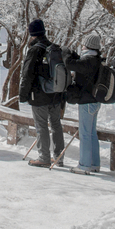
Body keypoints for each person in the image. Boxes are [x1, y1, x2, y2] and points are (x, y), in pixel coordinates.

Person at [19, 19, 66, 168]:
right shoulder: (54, 48)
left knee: (41, 126)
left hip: (39, 95)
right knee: (56, 125)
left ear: (31, 34)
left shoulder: (35, 50)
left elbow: (27, 74)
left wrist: (23, 94)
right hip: (56, 94)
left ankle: (44, 157)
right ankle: (59, 157)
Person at [65, 33, 103, 174]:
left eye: (83, 44)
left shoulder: (88, 60)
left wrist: (67, 53)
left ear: (88, 46)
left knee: (85, 133)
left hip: (86, 102)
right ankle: (94, 163)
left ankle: (84, 165)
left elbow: (70, 64)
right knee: (92, 133)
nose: (82, 46)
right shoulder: (96, 59)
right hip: (95, 101)